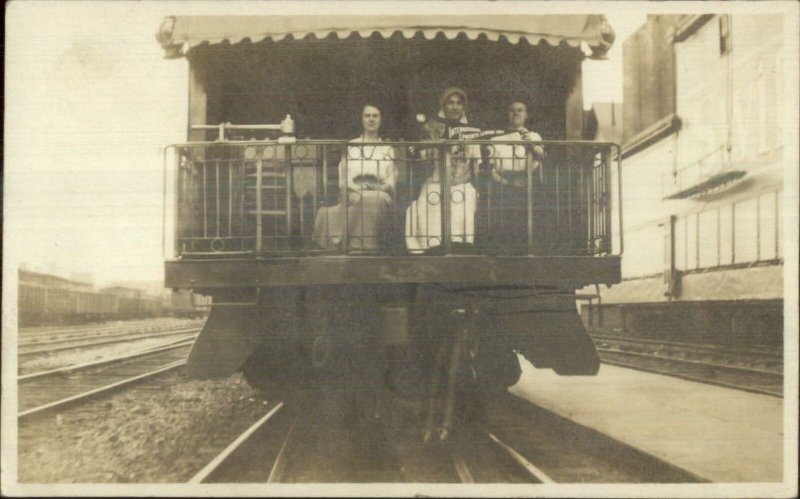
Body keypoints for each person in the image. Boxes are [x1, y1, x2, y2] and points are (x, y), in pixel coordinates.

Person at [405, 87, 481, 253]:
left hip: (463, 183)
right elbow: (424, 159)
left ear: (463, 107)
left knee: (466, 199)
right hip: (436, 181)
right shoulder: (430, 127)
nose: (455, 107)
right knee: (429, 201)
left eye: (459, 103)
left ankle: (461, 247)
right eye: (450, 103)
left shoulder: (472, 130)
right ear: (443, 105)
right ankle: (432, 247)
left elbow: (476, 163)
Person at [312, 104, 397, 250]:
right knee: (360, 198)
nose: (371, 119)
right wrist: (359, 188)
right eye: (367, 115)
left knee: (375, 200)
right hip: (353, 192)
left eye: (375, 116)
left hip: (380, 193)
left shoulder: (387, 148)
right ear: (361, 119)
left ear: (381, 120)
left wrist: (381, 187)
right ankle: (357, 245)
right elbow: (343, 178)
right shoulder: (351, 146)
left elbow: (391, 179)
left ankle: (366, 245)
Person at [477, 101, 545, 253]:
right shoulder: (496, 139)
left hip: (527, 184)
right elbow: (491, 166)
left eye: (520, 110)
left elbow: (541, 157)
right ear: (507, 114)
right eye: (512, 110)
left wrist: (529, 143)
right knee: (504, 225)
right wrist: (504, 181)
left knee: (528, 224)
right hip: (502, 186)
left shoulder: (534, 136)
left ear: (526, 114)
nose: (516, 113)